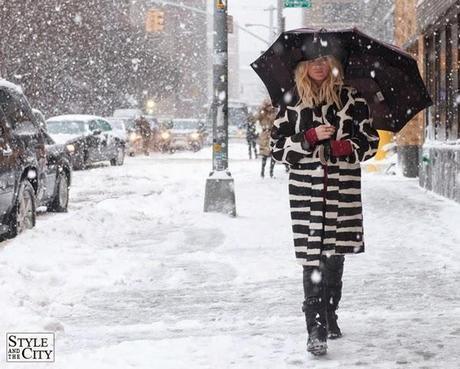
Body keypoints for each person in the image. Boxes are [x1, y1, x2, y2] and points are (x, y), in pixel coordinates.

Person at [270, 55, 380, 356]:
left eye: (324, 59)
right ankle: (315, 329)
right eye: (310, 61)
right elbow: (276, 149)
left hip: (341, 190)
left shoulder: (351, 98)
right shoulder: (290, 100)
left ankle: (331, 313)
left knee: (334, 258)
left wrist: (343, 146)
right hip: (306, 192)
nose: (318, 65)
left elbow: (370, 142)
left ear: (333, 64)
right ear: (301, 67)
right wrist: (307, 137)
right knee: (312, 259)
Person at [257, 100, 276, 178]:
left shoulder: (274, 113)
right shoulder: (262, 114)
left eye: (270, 106)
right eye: (268, 106)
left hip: (272, 134)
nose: (269, 107)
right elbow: (255, 118)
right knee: (264, 155)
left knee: (273, 154)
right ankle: (262, 172)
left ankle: (271, 172)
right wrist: (261, 109)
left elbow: (276, 121)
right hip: (265, 135)